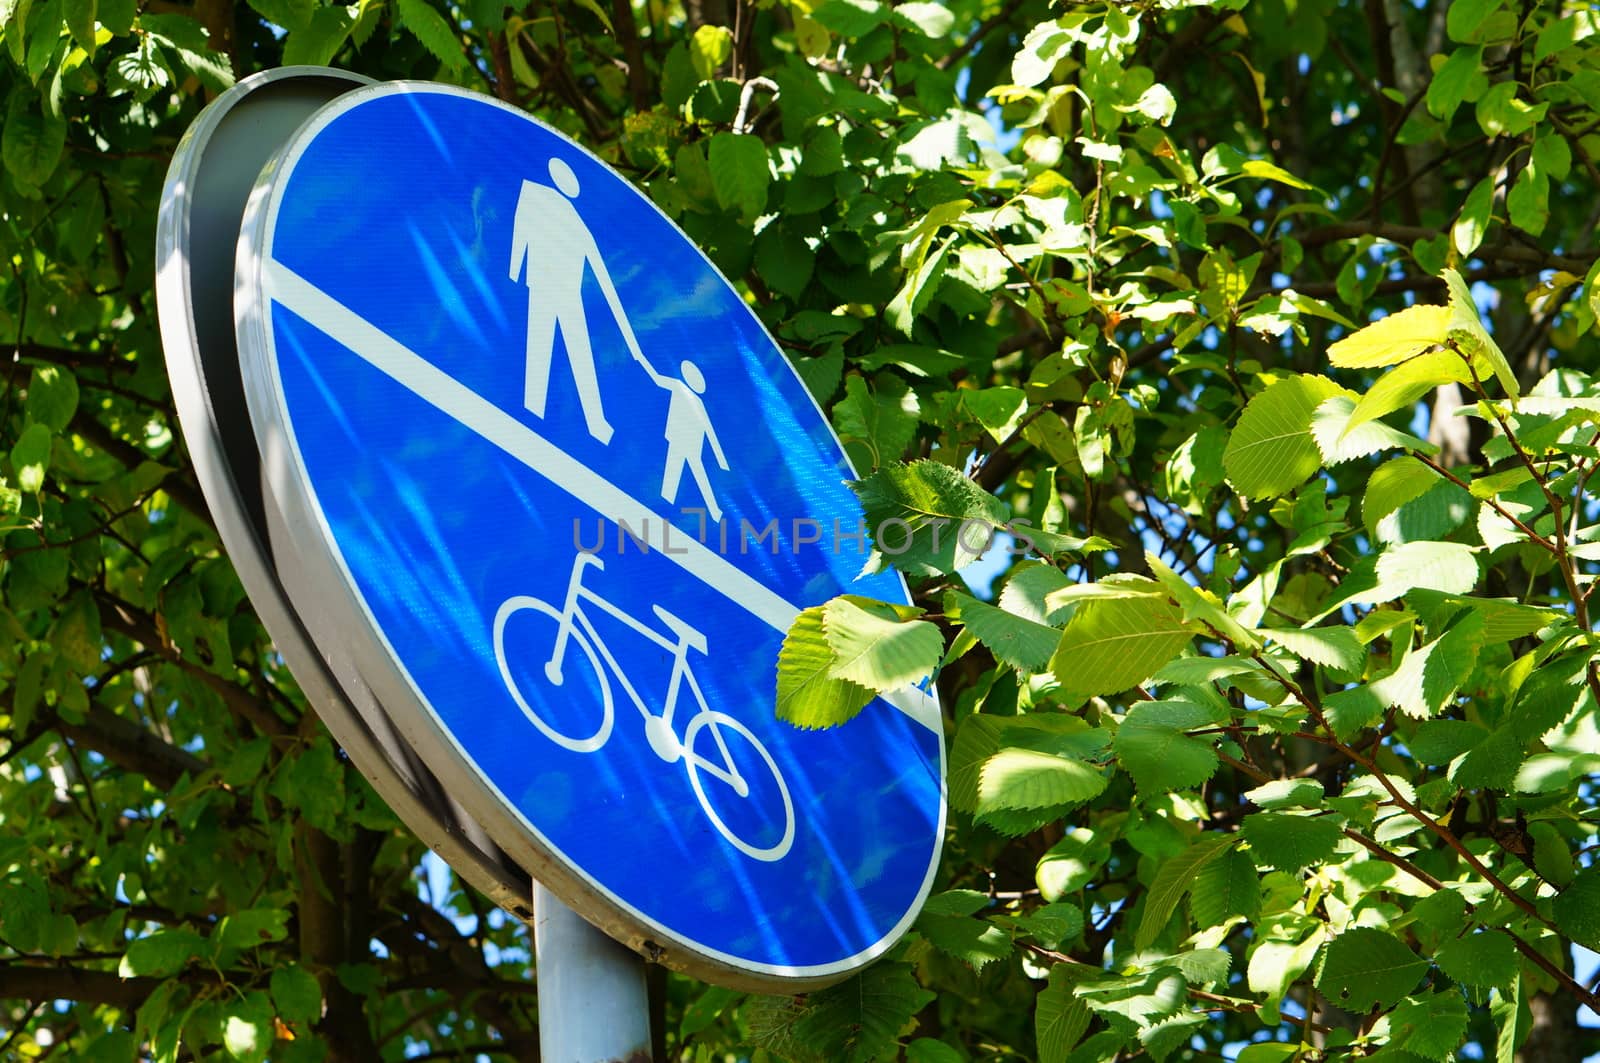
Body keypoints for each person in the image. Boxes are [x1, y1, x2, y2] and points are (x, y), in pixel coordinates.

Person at [507, 157, 654, 444]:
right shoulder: (535, 193)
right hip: (542, 285)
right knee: (540, 347)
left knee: (580, 353)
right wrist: (513, 272)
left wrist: (628, 330)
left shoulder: (578, 220)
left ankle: (595, 421)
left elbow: (602, 274)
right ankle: (533, 407)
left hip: (569, 294)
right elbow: (521, 226)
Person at [658, 360, 729, 522]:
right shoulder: (678, 386)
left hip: (691, 443)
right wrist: (640, 359)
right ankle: (668, 502)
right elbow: (657, 379)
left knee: (698, 474)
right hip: (677, 438)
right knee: (674, 471)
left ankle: (714, 510)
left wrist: (720, 459)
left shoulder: (698, 402)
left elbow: (709, 431)